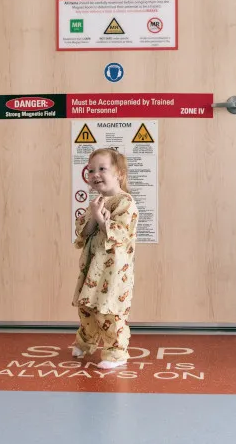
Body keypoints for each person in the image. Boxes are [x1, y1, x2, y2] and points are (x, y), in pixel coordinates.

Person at [71, 148, 138, 369]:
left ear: (119, 173)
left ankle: (116, 352)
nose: (95, 174)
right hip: (93, 269)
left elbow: (120, 233)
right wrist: (94, 217)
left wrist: (101, 219)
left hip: (114, 273)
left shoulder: (125, 202)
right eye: (91, 170)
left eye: (102, 169)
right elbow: (84, 232)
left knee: (108, 311)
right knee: (87, 307)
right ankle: (86, 342)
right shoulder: (97, 202)